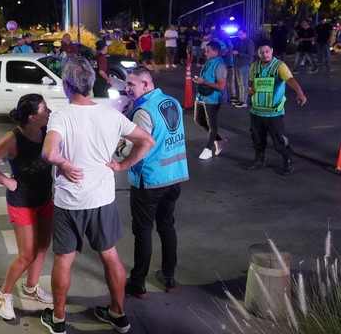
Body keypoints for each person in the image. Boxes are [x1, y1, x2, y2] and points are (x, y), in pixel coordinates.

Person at [40, 55, 155, 334]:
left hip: (70, 202)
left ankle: (58, 319)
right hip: (102, 199)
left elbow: (48, 153)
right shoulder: (111, 114)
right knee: (110, 256)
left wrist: (65, 164)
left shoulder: (61, 115)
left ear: (67, 85)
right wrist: (122, 165)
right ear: (91, 83)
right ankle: (118, 314)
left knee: (64, 260)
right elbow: (146, 140)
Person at [0, 94, 54, 321]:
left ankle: (31, 288)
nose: (49, 111)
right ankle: (3, 294)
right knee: (26, 255)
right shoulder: (13, 138)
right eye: (44, 109)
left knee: (42, 246)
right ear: (32, 117)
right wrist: (7, 181)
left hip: (44, 197)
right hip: (22, 202)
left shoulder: (47, 130)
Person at [120, 67, 189, 298]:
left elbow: (139, 145)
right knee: (167, 227)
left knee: (143, 232)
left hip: (149, 179)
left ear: (146, 85)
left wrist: (120, 150)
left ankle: (138, 282)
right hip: (174, 176)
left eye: (132, 84)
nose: (127, 88)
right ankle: (169, 276)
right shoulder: (172, 102)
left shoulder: (143, 111)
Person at [246, 40, 307, 175]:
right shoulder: (255, 66)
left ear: (272, 50)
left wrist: (299, 92)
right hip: (256, 111)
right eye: (262, 52)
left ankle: (288, 161)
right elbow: (251, 79)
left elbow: (290, 79)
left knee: (278, 141)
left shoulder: (280, 66)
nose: (265, 54)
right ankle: (259, 160)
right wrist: (249, 88)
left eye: (267, 51)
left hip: (274, 113)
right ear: (258, 53)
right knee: (257, 139)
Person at [193, 41, 227, 160]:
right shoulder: (209, 62)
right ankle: (219, 140)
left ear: (216, 51)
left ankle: (208, 149)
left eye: (208, 50)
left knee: (211, 123)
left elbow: (221, 86)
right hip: (201, 95)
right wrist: (200, 81)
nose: (205, 52)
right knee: (198, 120)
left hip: (212, 98)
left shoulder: (220, 65)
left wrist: (204, 82)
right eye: (206, 50)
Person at [232, 29, 256, 108]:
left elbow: (250, 54)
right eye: (239, 34)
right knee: (239, 83)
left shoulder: (249, 42)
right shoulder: (239, 41)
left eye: (241, 34)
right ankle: (241, 99)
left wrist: (239, 54)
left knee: (244, 83)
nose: (239, 36)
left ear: (245, 33)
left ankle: (244, 101)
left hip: (245, 64)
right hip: (238, 64)